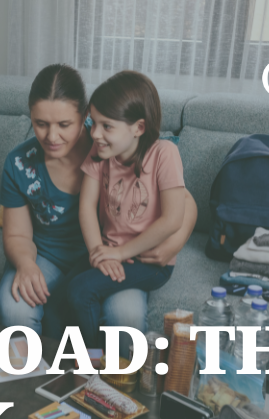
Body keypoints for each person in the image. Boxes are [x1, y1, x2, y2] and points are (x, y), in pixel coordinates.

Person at [0, 64, 197, 345]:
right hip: (55, 255)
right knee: (15, 308)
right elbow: (18, 234)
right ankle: (42, 377)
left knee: (124, 314)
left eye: (64, 125)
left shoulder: (108, 142)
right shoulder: (21, 162)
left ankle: (101, 377)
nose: (51, 137)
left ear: (84, 116)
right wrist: (26, 264)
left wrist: (173, 244)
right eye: (40, 124)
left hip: (117, 254)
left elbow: (182, 202)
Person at [68, 70, 187, 347]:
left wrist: (119, 253)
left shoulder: (164, 154)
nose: (95, 133)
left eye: (106, 126)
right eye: (93, 123)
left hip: (148, 261)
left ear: (139, 128)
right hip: (110, 250)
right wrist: (100, 253)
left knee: (80, 290)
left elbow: (172, 219)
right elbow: (86, 206)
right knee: (63, 286)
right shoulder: (100, 153)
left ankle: (92, 365)